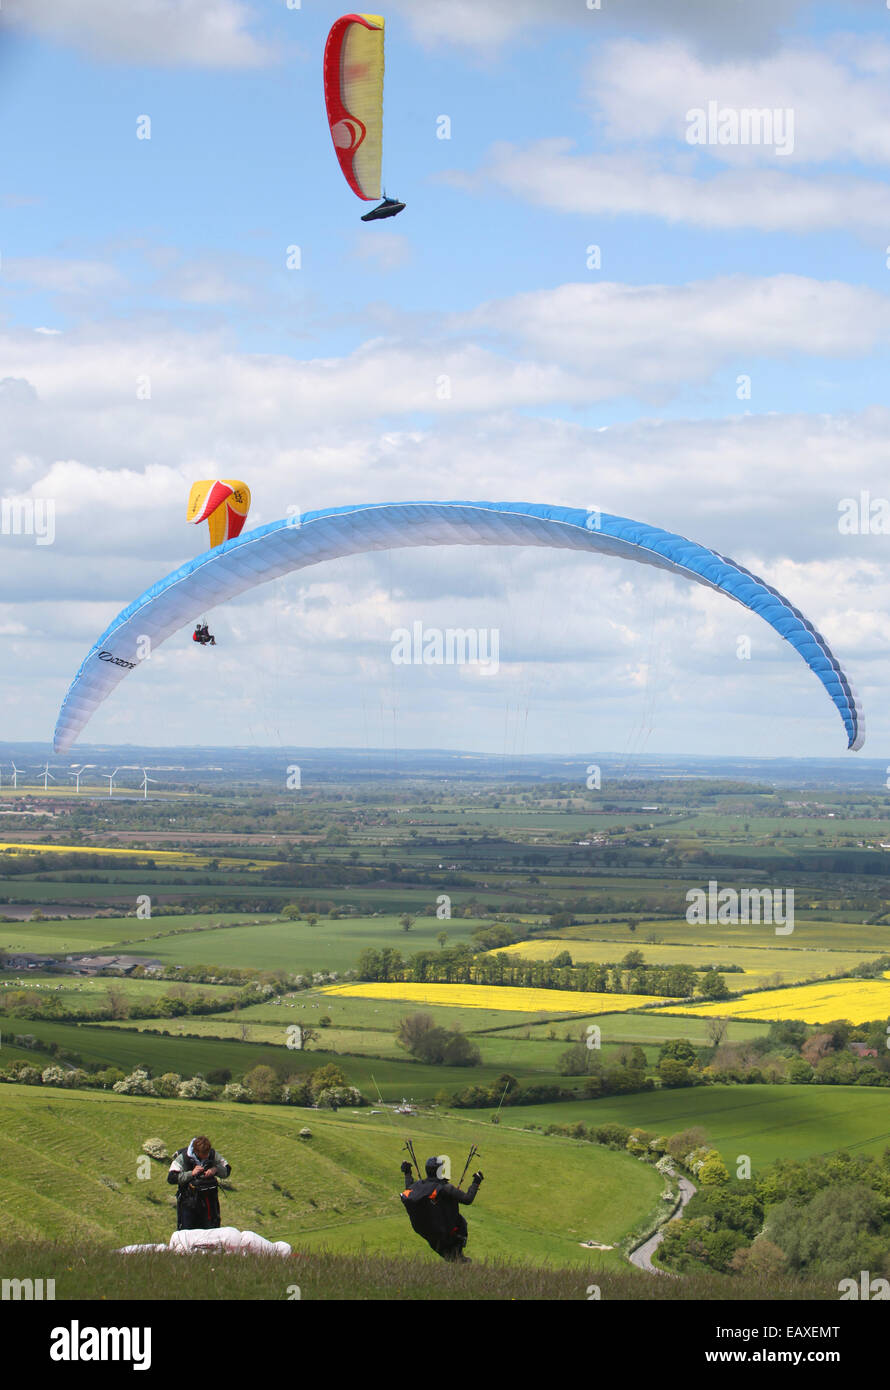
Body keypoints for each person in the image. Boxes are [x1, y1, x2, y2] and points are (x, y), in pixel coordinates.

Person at [400, 1156, 484, 1262]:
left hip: (429, 1234)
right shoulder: (445, 1188)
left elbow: (409, 1188)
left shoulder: (418, 1186)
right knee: (458, 1260)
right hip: (447, 1234)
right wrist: (476, 1182)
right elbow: (467, 1199)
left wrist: (407, 1173)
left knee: (455, 1261)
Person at [167, 1135, 231, 1230]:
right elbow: (171, 1178)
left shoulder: (213, 1154)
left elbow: (227, 1169)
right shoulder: (183, 1158)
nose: (206, 1156)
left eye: (207, 1153)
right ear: (196, 1151)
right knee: (187, 1234)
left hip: (210, 1203)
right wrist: (191, 1174)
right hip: (189, 1203)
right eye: (203, 1153)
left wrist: (216, 1169)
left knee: (211, 1233)